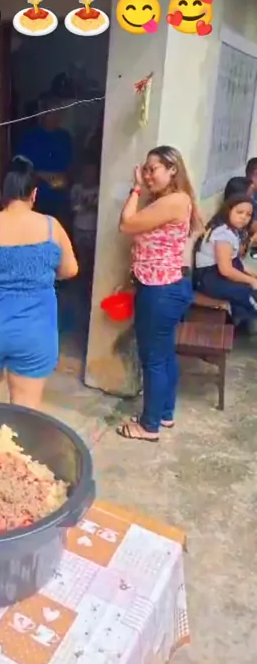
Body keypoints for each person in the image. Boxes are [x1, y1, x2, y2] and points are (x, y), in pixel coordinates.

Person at [0, 156, 78, 410]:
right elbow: (70, 269)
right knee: (25, 404)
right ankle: (17, 437)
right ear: (34, 194)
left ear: (2, 193)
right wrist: (40, 275)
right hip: (36, 328)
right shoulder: (52, 226)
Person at [116, 146, 199, 442]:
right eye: (145, 170)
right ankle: (164, 413)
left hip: (161, 289)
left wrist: (136, 188)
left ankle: (149, 426)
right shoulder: (173, 200)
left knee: (153, 359)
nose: (148, 175)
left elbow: (126, 224)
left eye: (153, 169)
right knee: (163, 355)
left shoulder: (174, 200)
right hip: (165, 286)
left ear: (172, 169)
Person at [194, 193, 257, 324]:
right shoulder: (223, 234)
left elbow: (235, 261)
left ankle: (243, 319)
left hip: (219, 273)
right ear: (228, 210)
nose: (244, 217)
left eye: (248, 215)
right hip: (210, 278)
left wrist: (252, 275)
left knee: (246, 288)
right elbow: (226, 270)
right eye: (239, 212)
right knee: (248, 291)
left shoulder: (233, 230)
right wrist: (252, 280)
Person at [15, 98, 73, 229]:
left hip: (59, 197)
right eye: (53, 112)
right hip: (35, 196)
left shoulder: (64, 137)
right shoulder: (30, 137)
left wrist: (64, 179)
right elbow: (19, 166)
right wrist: (40, 175)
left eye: (59, 112)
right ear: (43, 114)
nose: (57, 116)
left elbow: (70, 166)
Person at [70, 161, 99, 286]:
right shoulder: (77, 189)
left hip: (93, 229)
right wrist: (88, 205)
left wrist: (86, 206)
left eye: (92, 172)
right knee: (81, 257)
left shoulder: (100, 189)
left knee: (93, 259)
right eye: (87, 172)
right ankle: (81, 284)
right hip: (79, 227)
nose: (89, 175)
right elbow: (74, 207)